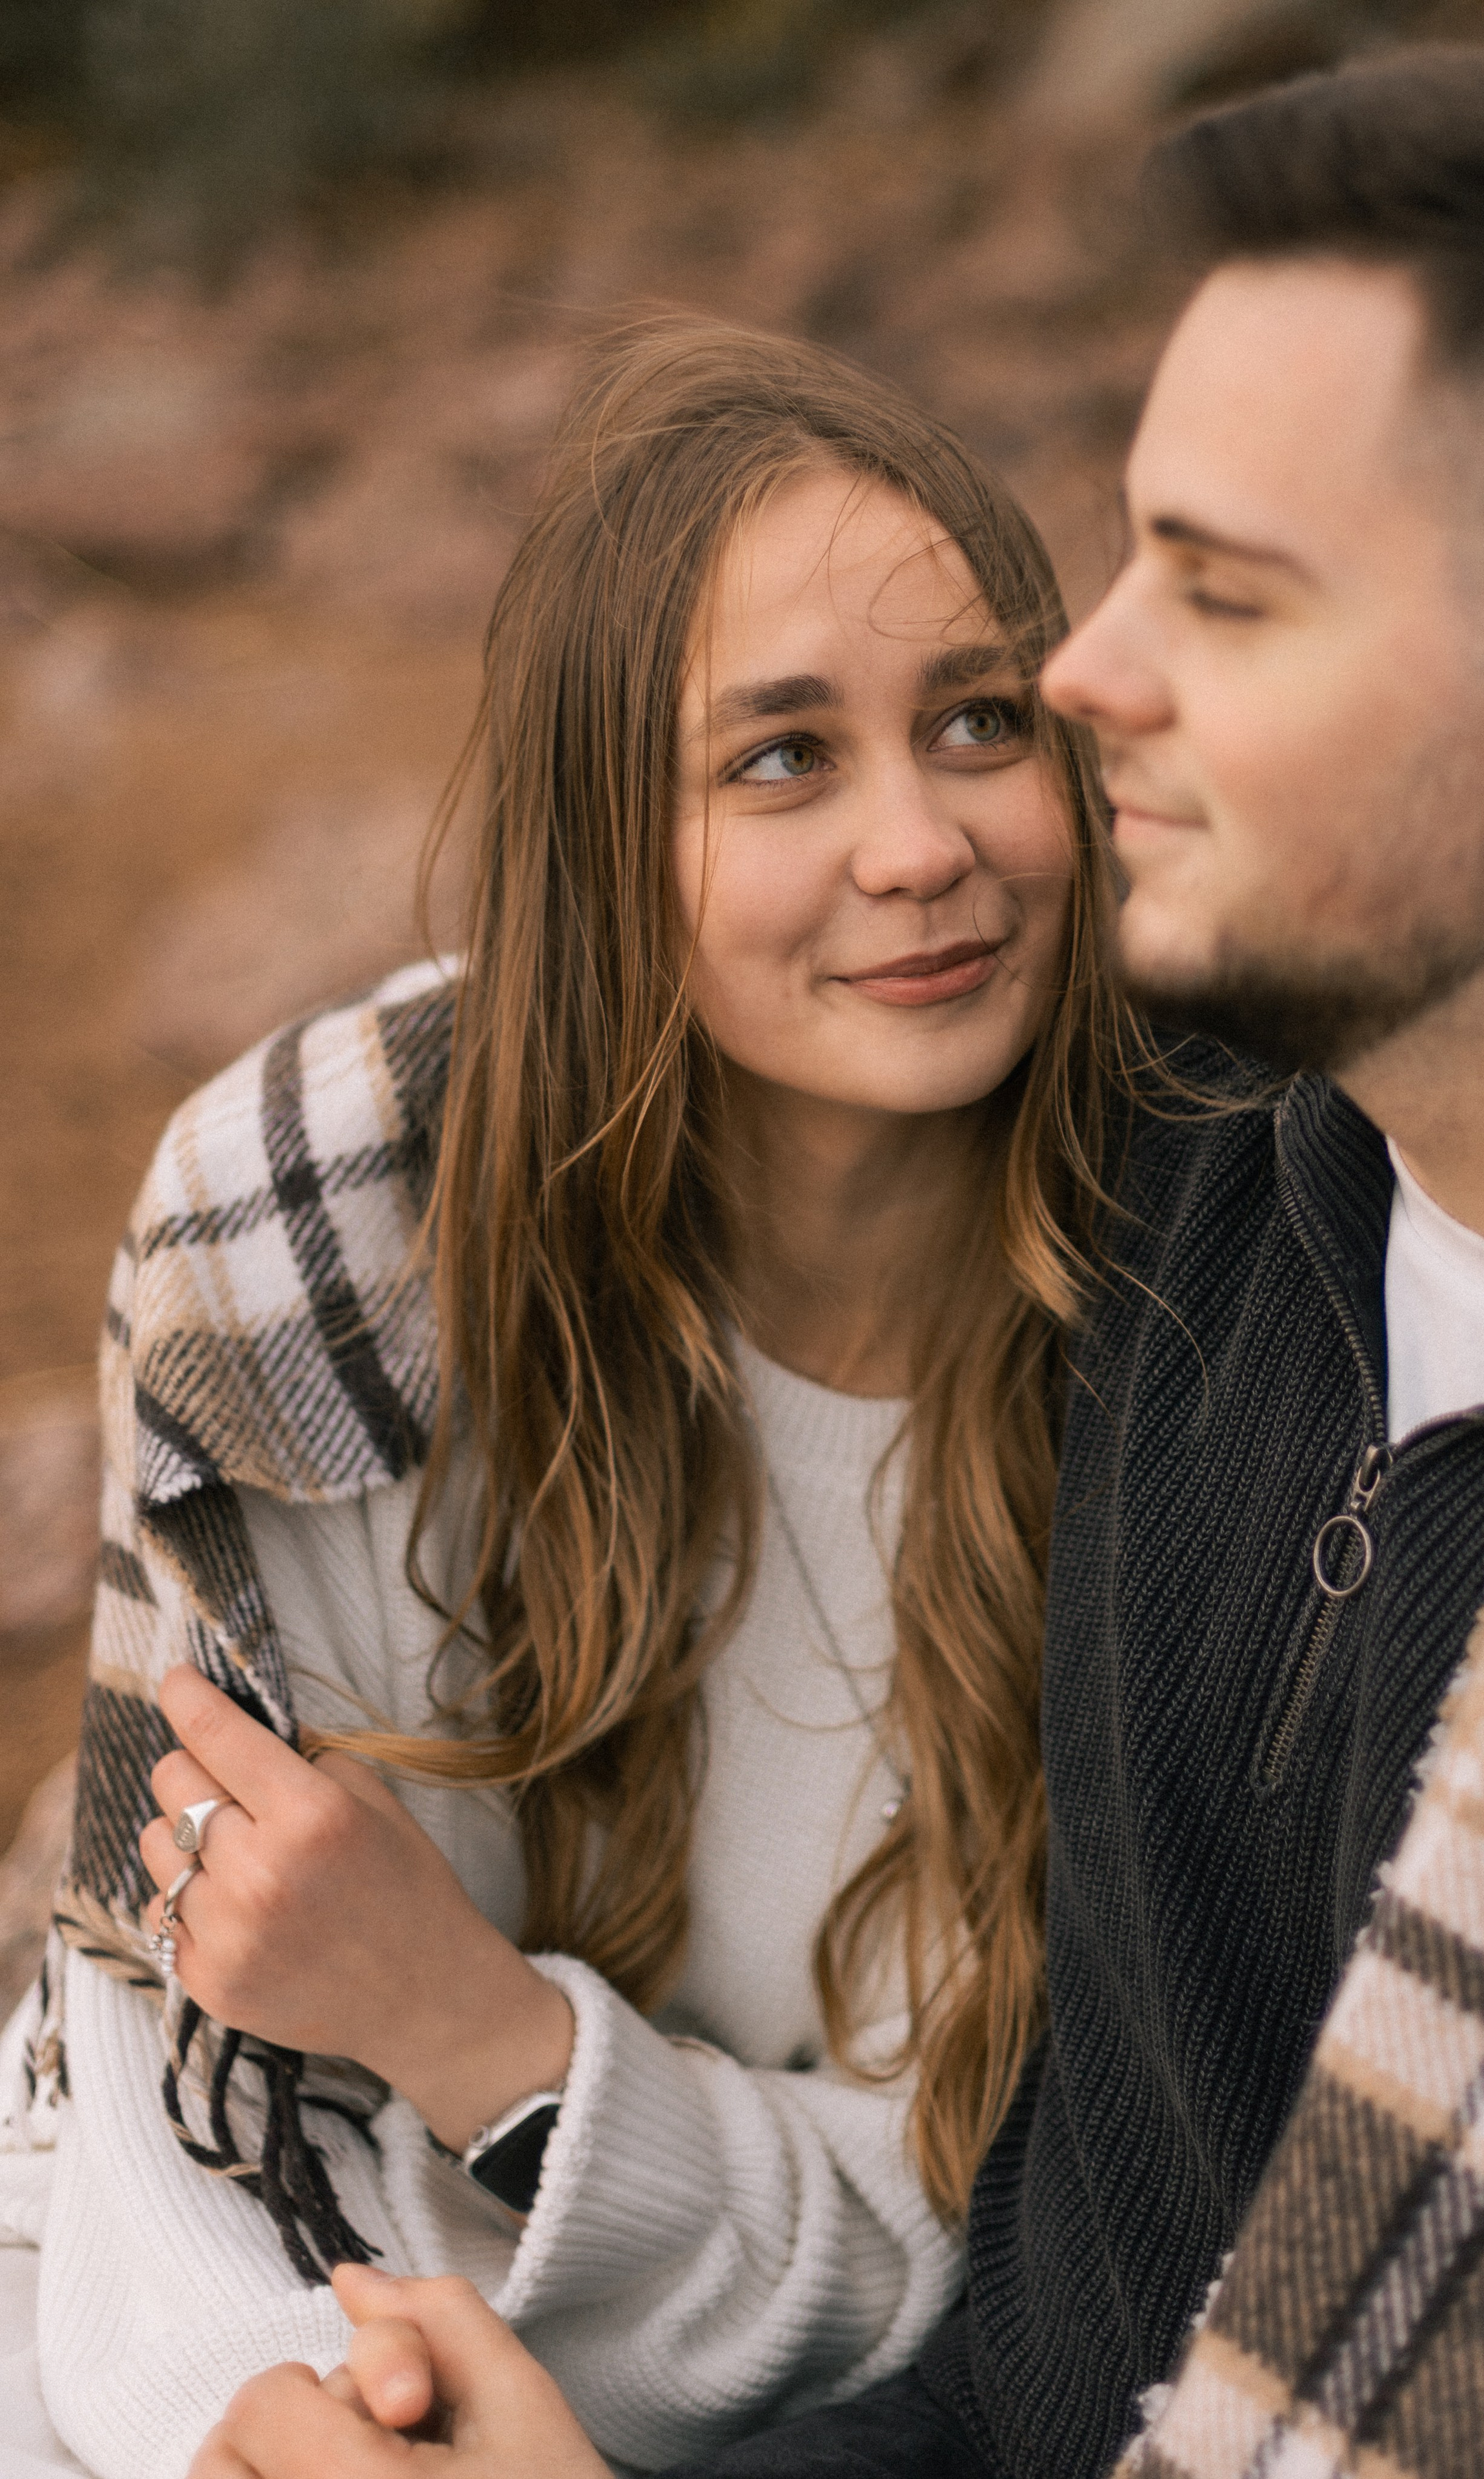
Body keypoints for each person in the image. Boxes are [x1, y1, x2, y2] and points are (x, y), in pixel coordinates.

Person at [183, 29, 1484, 2479]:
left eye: (1230, 592)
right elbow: (1028, 2374)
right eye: (1128, 553)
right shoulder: (1213, 1224)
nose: (1083, 685)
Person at [0, 318, 1132, 2478]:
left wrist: (487, 2038)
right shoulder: (315, 1234)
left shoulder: (1181, 1327)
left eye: (978, 720)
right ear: (606, 837)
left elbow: (984, 2218)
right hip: (206, 2323)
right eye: (784, 757)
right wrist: (269, 2421)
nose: (923, 844)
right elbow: (169, 2043)